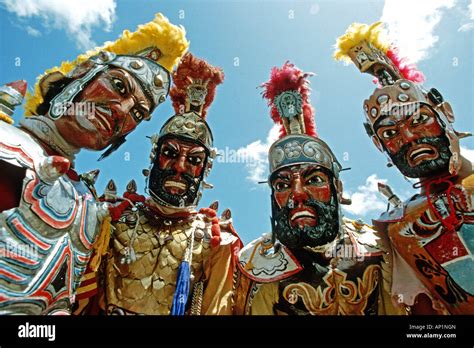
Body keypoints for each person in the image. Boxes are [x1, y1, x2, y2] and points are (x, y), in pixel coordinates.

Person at [0, 13, 189, 315]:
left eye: (138, 114)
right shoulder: (6, 144)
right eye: (119, 85)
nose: (122, 111)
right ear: (84, 71)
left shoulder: (88, 204)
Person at [233, 62, 404, 315]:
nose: (298, 194)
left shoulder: (378, 247)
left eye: (314, 180)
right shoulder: (255, 264)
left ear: (338, 187)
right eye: (282, 185)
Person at [334, 22, 474, 314]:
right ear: (379, 146)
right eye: (389, 133)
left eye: (418, 120)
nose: (408, 138)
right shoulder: (399, 227)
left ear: (445, 113)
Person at [96, 53, 242, 315]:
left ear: (206, 171)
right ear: (153, 157)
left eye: (194, 159)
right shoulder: (112, 219)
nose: (179, 167)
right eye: (170, 154)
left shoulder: (216, 242)